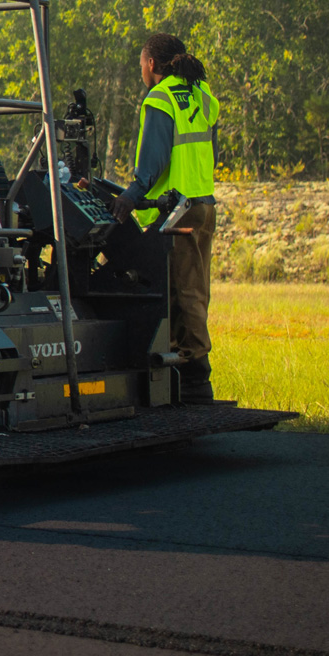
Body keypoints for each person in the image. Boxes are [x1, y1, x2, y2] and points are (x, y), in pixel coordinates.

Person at [110, 33, 222, 402]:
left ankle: (194, 377)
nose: (141, 69)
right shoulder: (203, 93)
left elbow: (153, 162)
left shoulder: (161, 97)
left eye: (141, 62)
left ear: (152, 64)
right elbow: (203, 152)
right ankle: (185, 371)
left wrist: (131, 197)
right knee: (194, 287)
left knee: (179, 290)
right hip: (203, 204)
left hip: (180, 211)